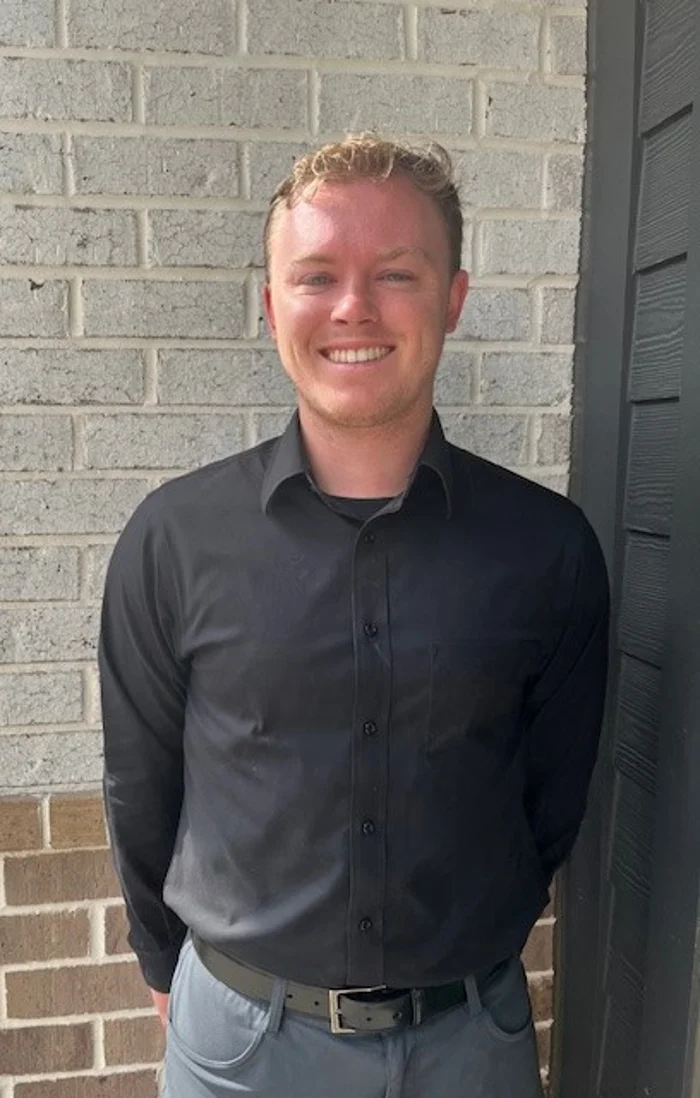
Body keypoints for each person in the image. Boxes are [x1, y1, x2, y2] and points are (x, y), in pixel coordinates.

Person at [99, 133, 609, 1098]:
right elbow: (142, 784)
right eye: (316, 275)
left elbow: (551, 802)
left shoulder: (550, 552)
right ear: (270, 307)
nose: (352, 308)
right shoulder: (174, 540)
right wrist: (166, 967)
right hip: (241, 1050)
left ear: (454, 298)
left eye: (396, 274)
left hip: (472, 1047)